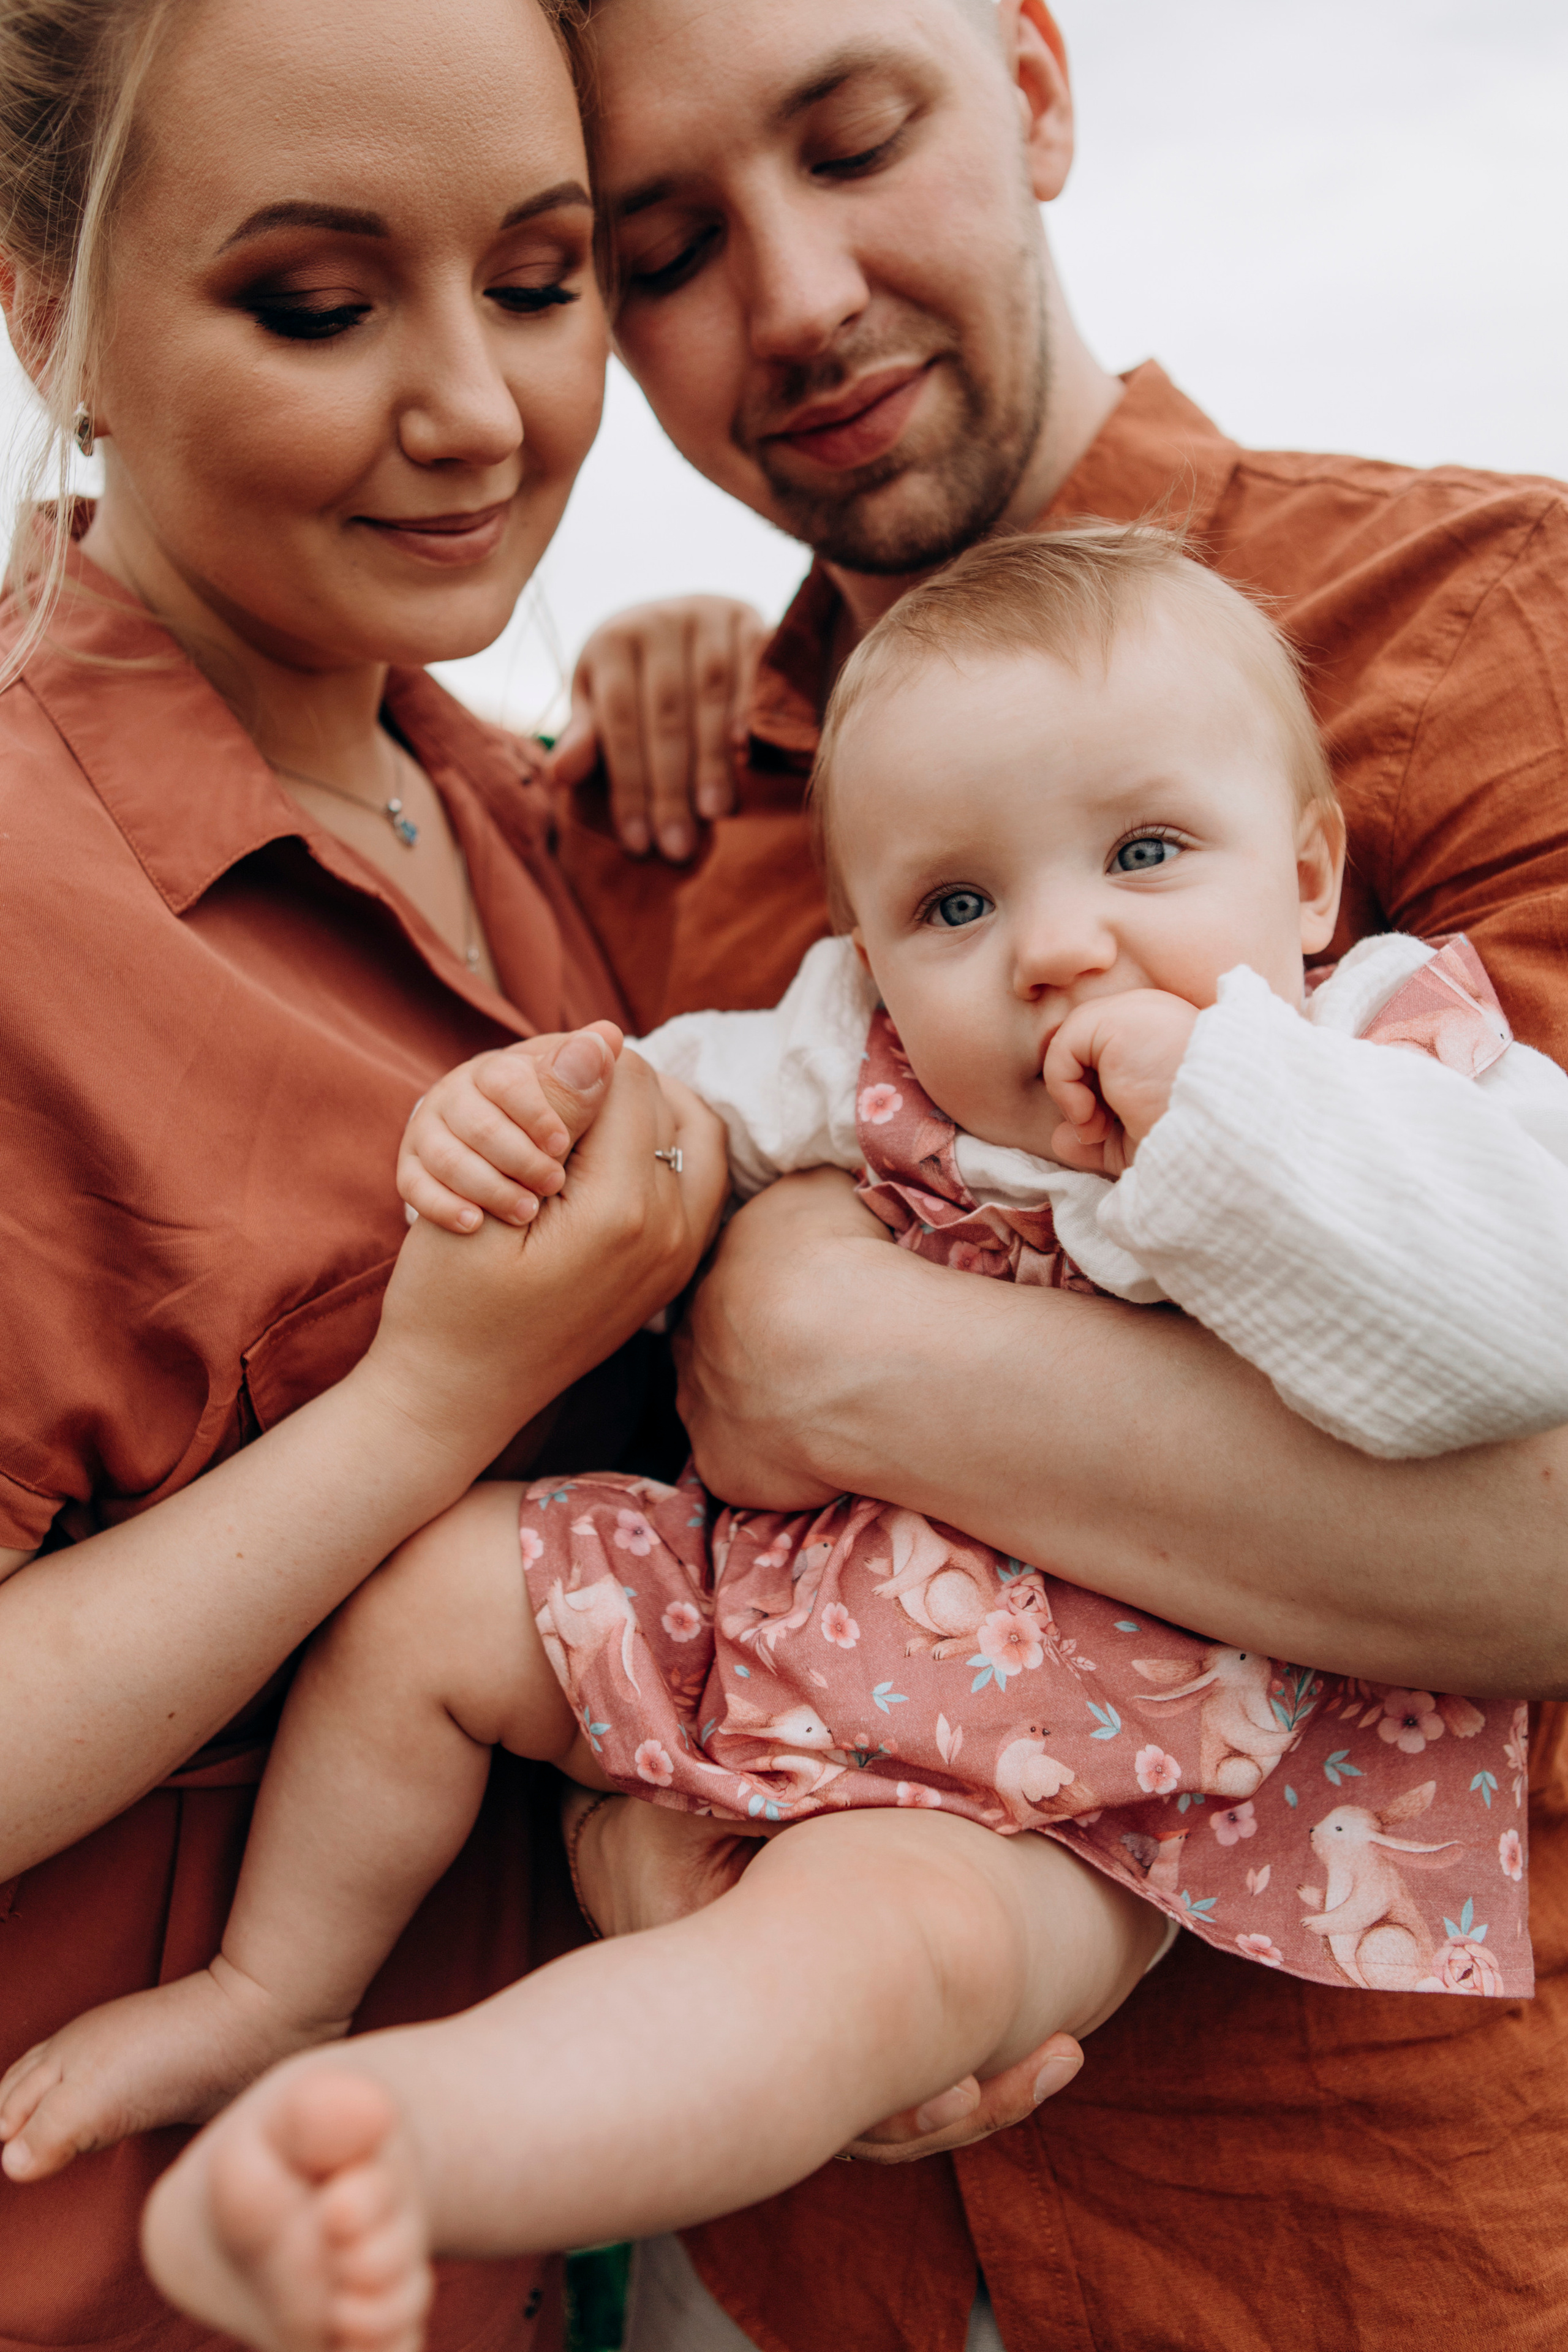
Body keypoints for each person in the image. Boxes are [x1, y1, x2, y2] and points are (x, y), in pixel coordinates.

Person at [13, 526, 1558, 2350]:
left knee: (865, 1959)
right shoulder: (863, 1047)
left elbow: (1509, 1338)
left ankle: (409, 2154)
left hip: (1107, 1789)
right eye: (955, 908)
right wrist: (525, 1109)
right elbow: (658, 1106)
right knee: (434, 1593)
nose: (1060, 950)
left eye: (1146, 856)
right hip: (791, 1601)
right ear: (875, 948)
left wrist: (1231, 1122)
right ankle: (278, 1989)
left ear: (1308, 877)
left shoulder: (1401, 1052)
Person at [539, 1, 1568, 2345]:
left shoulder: (1495, 624)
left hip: (1364, 2233)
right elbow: (624, 1538)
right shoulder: (664, 814)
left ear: (1035, 82)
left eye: (858, 135)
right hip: (802, 2259)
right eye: (665, 243)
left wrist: (834, 1350)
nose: (791, 300)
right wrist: (631, 1839)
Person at [0, 3, 733, 2349]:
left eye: (537, 281)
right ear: (51, 312)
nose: (479, 412)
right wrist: (417, 1408)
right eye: (316, 305)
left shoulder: (536, 816)